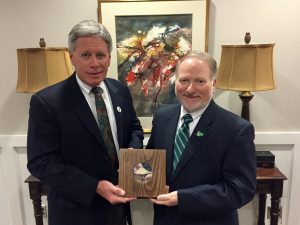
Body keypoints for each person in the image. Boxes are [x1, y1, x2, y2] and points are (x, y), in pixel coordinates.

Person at [27, 19, 144, 225]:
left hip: (119, 209)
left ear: (109, 57)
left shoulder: (120, 90)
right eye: (85, 55)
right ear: (72, 57)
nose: (94, 63)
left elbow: (134, 128)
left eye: (100, 55)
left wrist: (131, 159)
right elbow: (41, 162)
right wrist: (95, 186)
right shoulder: (47, 102)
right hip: (76, 212)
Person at [146, 51, 256, 225]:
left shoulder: (236, 129)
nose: (190, 89)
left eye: (200, 81)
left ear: (214, 84)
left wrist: (183, 198)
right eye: (184, 80)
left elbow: (240, 190)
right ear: (176, 82)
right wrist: (135, 170)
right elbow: (152, 162)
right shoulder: (162, 118)